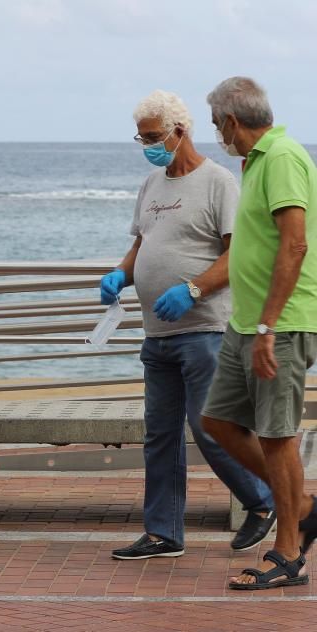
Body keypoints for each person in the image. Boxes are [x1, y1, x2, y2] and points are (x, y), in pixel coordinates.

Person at [100, 90, 275, 561]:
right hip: (156, 334)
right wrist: (122, 273)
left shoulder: (219, 183)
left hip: (204, 331)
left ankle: (263, 500)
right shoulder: (151, 184)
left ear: (181, 131)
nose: (147, 144)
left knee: (212, 427)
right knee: (159, 435)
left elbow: (238, 253)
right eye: (141, 136)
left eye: (153, 136)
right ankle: (162, 533)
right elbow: (143, 244)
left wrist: (194, 289)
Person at [197, 77, 317, 590]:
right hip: (244, 323)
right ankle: (304, 507)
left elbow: (294, 245)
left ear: (229, 121)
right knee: (218, 422)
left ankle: (288, 552)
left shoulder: (284, 156)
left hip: (280, 325)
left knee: (276, 436)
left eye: (214, 124)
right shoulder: (253, 163)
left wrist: (269, 325)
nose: (216, 134)